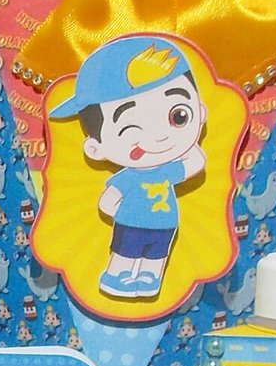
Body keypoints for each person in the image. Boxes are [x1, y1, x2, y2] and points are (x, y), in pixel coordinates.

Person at [48, 36, 207, 300]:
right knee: (125, 254)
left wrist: (192, 139)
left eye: (179, 116)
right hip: (131, 224)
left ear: (200, 111)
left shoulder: (166, 172)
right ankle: (117, 276)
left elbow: (195, 164)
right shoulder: (128, 177)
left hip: (165, 227)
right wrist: (125, 212)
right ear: (95, 148)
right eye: (130, 130)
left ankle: (149, 278)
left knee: (156, 257)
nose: (159, 136)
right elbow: (107, 203)